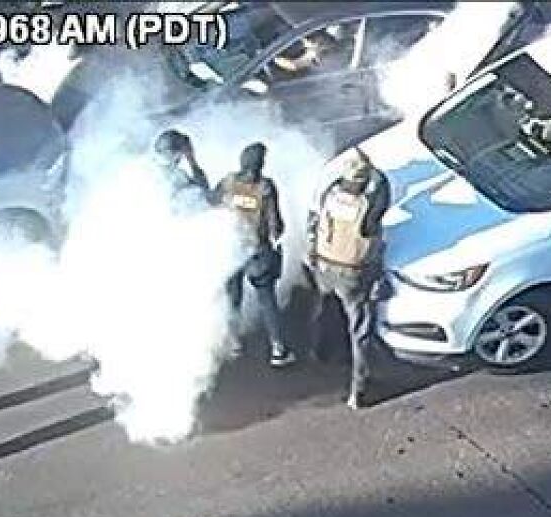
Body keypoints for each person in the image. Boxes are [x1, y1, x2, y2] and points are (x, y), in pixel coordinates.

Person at [305, 149, 391, 410]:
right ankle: (359, 391)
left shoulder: (329, 195)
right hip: (352, 272)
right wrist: (371, 168)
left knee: (324, 307)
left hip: (323, 262)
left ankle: (319, 350)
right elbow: (383, 194)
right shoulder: (366, 207)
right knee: (360, 330)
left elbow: (313, 224)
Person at [215, 142, 297, 367]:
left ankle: (233, 342)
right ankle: (278, 349)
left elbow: (213, 205)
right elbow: (275, 225)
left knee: (233, 296)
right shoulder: (265, 187)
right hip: (257, 250)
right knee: (267, 300)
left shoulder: (228, 182)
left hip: (231, 247)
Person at [152, 128, 211, 209]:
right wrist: (191, 159)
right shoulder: (165, 175)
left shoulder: (175, 173)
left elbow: (203, 191)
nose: (181, 157)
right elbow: (204, 193)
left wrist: (191, 159)